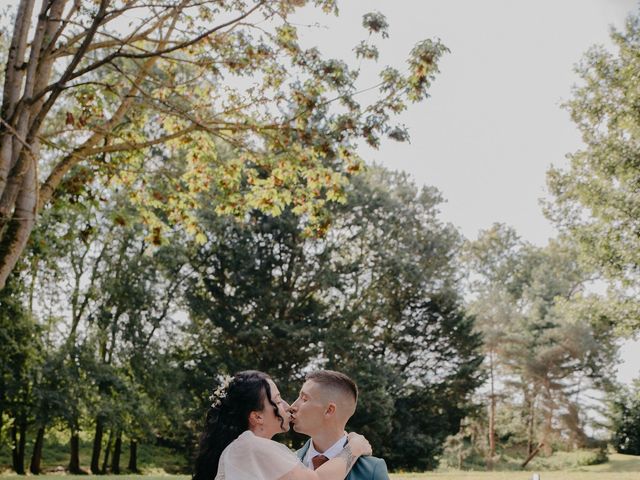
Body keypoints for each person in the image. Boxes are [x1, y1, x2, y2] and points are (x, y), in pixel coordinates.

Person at [193, 370, 372, 480]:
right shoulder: (252, 446)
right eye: (278, 401)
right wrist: (354, 448)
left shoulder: (246, 448)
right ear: (257, 417)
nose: (289, 406)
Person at [289, 371, 389, 480]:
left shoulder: (372, 469)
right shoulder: (287, 462)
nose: (292, 406)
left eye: (304, 399)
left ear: (329, 410)